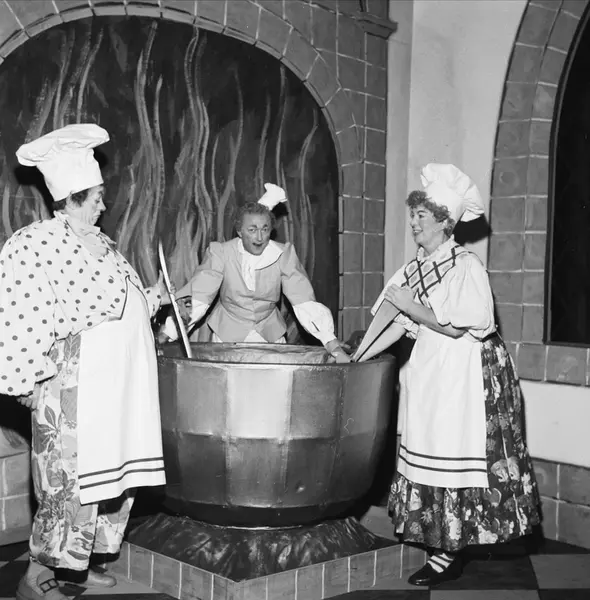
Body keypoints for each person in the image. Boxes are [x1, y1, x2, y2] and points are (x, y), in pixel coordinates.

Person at [0, 124, 170, 600]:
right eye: (96, 197)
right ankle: (37, 576)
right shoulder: (35, 242)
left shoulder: (103, 245)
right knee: (69, 483)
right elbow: (21, 312)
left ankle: (77, 563)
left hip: (120, 388)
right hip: (75, 389)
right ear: (72, 197)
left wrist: (153, 298)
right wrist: (25, 381)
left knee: (112, 481)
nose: (103, 205)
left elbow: (119, 302)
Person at [363, 163, 540, 586]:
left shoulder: (466, 265)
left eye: (422, 216)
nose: (413, 223)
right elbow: (396, 324)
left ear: (445, 221)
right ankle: (443, 542)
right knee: (430, 451)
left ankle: (449, 553)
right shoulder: (415, 267)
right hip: (432, 371)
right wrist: (358, 356)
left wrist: (409, 305)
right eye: (413, 215)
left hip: (464, 374)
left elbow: (457, 326)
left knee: (455, 456)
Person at [163, 183, 350, 362]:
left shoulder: (282, 255)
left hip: (270, 337)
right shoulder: (221, 254)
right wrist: (168, 333)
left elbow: (303, 301)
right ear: (239, 231)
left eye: (265, 229)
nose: (260, 237)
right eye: (252, 230)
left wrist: (331, 343)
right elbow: (199, 296)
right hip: (227, 339)